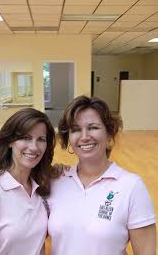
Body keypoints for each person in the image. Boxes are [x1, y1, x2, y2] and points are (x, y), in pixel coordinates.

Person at [48, 95, 156, 255]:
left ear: (109, 134)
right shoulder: (56, 181)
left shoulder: (131, 186)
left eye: (93, 127)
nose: (84, 137)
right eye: (76, 129)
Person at [0, 108, 56, 255]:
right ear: (10, 142)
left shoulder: (41, 187)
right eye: (26, 138)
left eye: (41, 139)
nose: (33, 147)